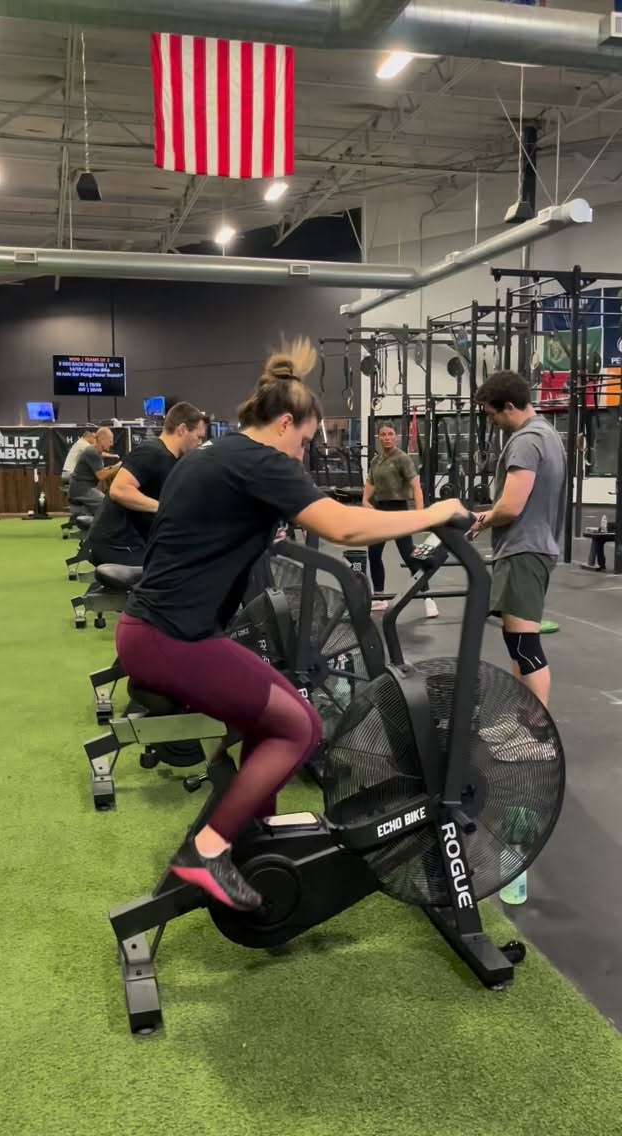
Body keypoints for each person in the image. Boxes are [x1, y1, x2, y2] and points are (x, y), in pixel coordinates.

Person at [115, 338, 467, 912]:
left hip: (154, 630)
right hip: (172, 638)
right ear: (284, 425)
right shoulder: (261, 461)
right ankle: (206, 851)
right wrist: (435, 512)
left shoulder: (206, 458)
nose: (302, 456)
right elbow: (344, 528)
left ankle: (251, 837)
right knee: (298, 728)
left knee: (271, 712)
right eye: (304, 442)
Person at [472, 370, 567, 709]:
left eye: (492, 414)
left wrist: (478, 520)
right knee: (517, 644)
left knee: (525, 646)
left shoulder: (527, 441)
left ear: (509, 406)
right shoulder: (548, 434)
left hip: (523, 551)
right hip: (532, 549)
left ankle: (537, 729)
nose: (492, 421)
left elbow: (511, 507)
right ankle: (520, 719)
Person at [87, 403, 207, 567]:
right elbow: (119, 490)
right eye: (198, 437)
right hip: (116, 545)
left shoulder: (171, 459)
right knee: (176, 571)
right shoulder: (152, 451)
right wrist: (163, 508)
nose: (200, 442)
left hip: (135, 542)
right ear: (182, 429)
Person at [363, 422, 439, 618]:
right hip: (380, 511)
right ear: (379, 438)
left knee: (409, 555)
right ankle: (379, 598)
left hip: (399, 510)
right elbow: (370, 485)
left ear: (395, 437)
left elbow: (416, 487)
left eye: (390, 434)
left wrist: (420, 515)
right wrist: (365, 502)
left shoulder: (402, 458)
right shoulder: (376, 461)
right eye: (383, 434)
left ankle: (428, 598)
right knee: (374, 554)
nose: (387, 437)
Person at [69, 426, 121, 515]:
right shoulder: (92, 452)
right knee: (107, 505)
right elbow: (101, 475)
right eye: (110, 441)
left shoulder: (96, 452)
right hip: (82, 490)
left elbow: (101, 471)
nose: (112, 444)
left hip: (82, 488)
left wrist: (112, 468)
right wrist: (118, 466)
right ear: (102, 440)